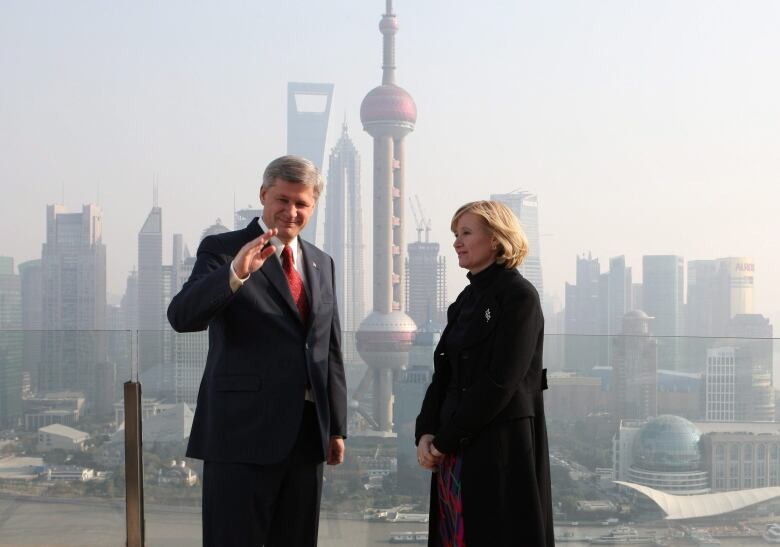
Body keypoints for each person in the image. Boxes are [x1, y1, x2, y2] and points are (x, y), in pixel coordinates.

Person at [167, 155, 347, 547]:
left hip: (304, 437)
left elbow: (328, 349)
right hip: (240, 435)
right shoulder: (223, 248)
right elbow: (182, 316)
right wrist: (235, 274)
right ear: (264, 194)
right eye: (283, 199)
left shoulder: (321, 262)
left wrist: (336, 427)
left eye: (302, 203)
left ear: (313, 205)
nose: (291, 211)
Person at [415, 200, 554, 547]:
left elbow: (501, 382)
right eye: (455, 234)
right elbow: (442, 374)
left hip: (498, 448)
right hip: (453, 446)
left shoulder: (519, 296)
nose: (457, 242)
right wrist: (426, 432)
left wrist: (446, 439)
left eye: (466, 233)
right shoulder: (465, 300)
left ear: (495, 239)